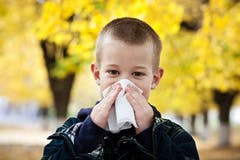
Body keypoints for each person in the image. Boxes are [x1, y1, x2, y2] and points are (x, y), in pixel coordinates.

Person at [41, 17, 199, 160]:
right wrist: (88, 134)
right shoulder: (72, 131)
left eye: (137, 74)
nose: (123, 85)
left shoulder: (175, 137)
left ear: (155, 78)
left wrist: (149, 136)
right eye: (113, 72)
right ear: (97, 74)